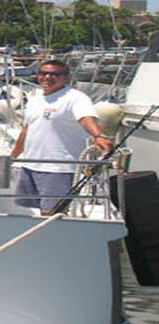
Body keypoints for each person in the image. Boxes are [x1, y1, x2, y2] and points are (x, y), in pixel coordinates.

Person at [11, 59, 113, 214]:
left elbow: (86, 118)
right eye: (43, 73)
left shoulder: (75, 98)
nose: (47, 77)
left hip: (58, 168)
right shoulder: (35, 100)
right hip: (30, 165)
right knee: (36, 210)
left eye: (54, 74)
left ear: (66, 77)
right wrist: (13, 157)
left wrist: (98, 136)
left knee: (53, 213)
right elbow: (27, 131)